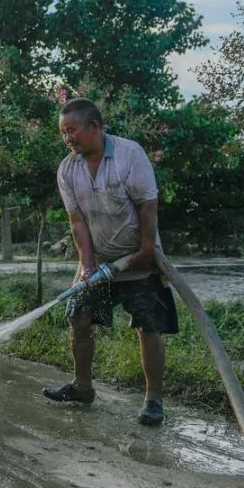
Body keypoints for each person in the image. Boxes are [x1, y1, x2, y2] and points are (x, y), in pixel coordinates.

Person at [42, 98, 178, 426]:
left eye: (72, 130)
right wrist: (87, 265)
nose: (68, 138)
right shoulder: (67, 169)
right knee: (78, 317)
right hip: (99, 260)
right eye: (63, 133)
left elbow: (148, 206)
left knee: (149, 327)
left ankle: (153, 401)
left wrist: (147, 251)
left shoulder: (129, 155)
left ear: (95, 127)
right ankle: (82, 387)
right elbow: (77, 221)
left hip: (140, 258)